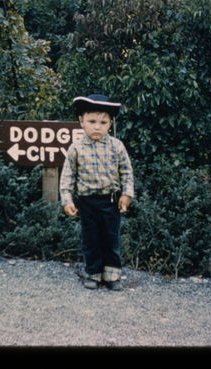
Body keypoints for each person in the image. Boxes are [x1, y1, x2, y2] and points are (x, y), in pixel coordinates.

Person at [59, 94, 134, 291]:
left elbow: (126, 173)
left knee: (111, 238)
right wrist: (67, 200)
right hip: (86, 202)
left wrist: (126, 196)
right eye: (92, 121)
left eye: (103, 122)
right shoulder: (75, 148)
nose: (97, 127)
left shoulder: (117, 146)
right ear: (81, 121)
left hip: (111, 201)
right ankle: (93, 272)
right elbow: (67, 177)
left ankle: (112, 275)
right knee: (90, 239)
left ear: (110, 123)